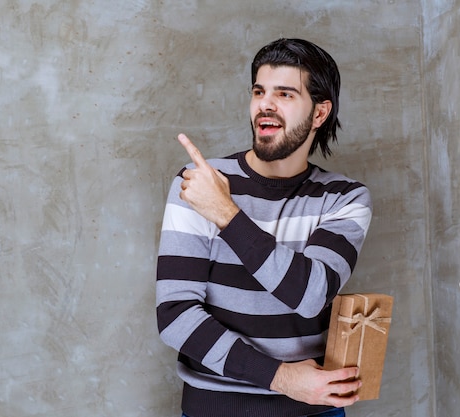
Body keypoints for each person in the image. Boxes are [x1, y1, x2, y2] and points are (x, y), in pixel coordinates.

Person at [156, 38, 372, 417]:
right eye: (259, 91)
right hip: (215, 410)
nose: (265, 105)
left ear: (319, 113)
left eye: (285, 94)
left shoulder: (344, 198)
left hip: (314, 410)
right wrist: (282, 378)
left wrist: (227, 214)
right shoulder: (199, 184)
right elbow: (175, 315)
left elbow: (310, 295)